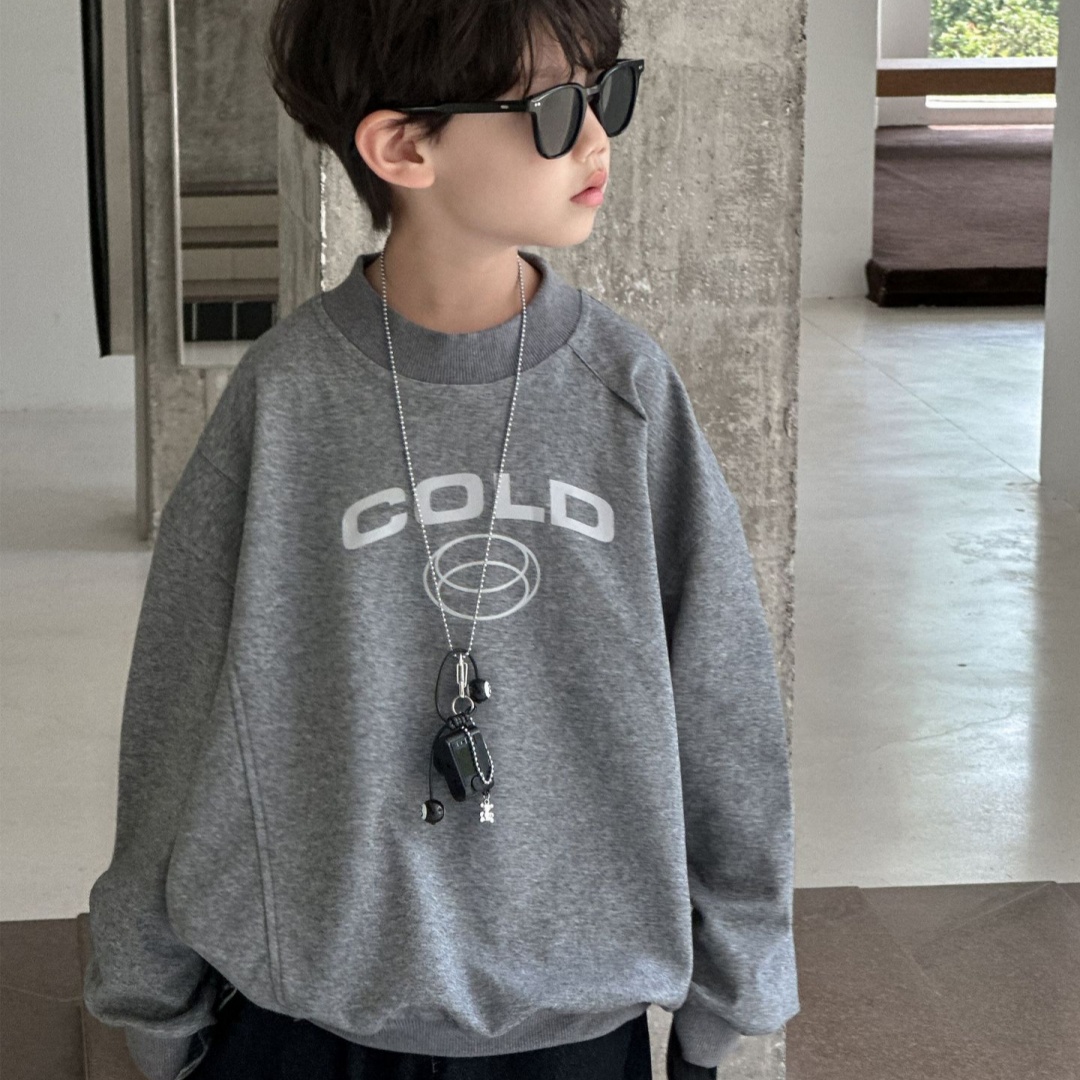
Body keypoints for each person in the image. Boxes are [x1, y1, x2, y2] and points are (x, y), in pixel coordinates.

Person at [81, 1, 801, 1078]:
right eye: (551, 109)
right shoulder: (286, 400)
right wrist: (149, 988)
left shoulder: (626, 390)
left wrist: (736, 982)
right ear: (402, 147)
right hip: (307, 1027)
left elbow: (723, 702)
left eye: (606, 93)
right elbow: (178, 705)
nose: (596, 137)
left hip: (571, 1027)